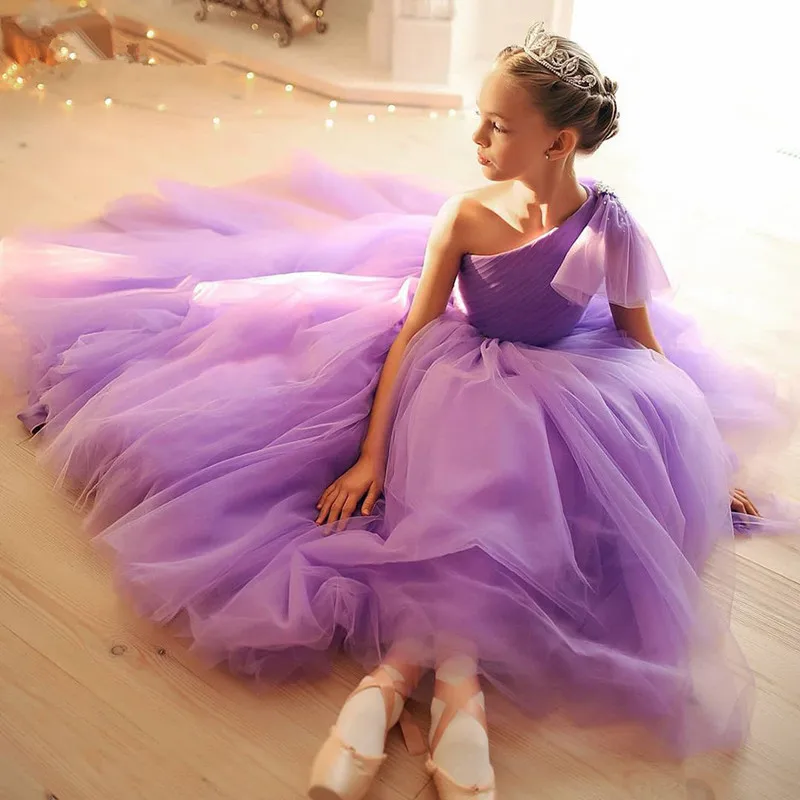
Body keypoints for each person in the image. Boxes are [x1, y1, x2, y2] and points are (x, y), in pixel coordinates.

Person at [0, 20, 791, 800]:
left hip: (574, 377)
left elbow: (641, 343)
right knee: (471, 452)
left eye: (498, 126)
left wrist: (701, 457)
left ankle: (411, 678)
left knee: (529, 490)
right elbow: (416, 329)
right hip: (458, 364)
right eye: (479, 120)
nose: (477, 138)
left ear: (556, 144)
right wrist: (372, 455)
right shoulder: (468, 217)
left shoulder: (611, 226)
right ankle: (439, 686)